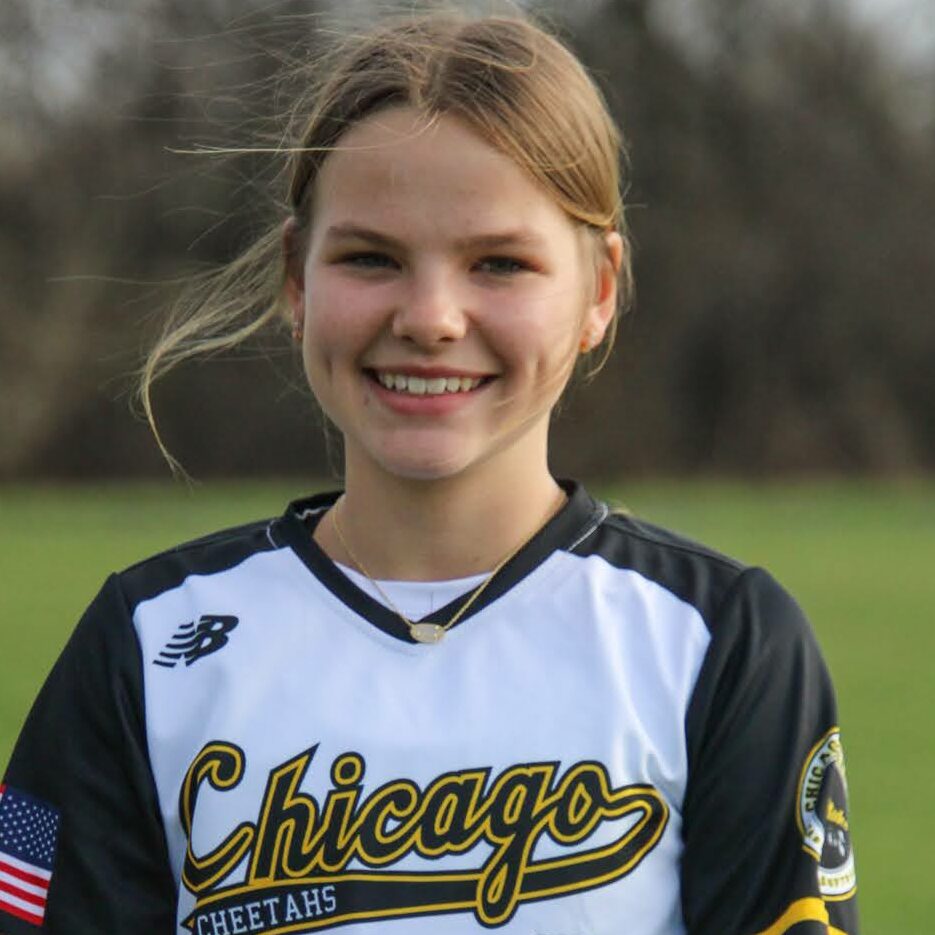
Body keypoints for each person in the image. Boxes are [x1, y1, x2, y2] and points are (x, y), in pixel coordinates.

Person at [0, 10, 857, 935]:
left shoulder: (723, 642)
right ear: (296, 277)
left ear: (599, 289)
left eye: (500, 263)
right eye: (371, 257)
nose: (431, 318)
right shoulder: (140, 640)